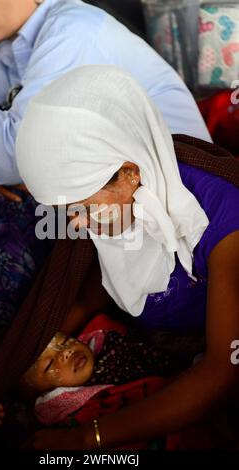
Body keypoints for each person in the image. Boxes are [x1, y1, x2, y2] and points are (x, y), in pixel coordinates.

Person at [0, 0, 210, 344]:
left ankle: (20, 352)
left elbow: (11, 156)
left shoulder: (73, 30)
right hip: (95, 198)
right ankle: (5, 353)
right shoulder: (9, 58)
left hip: (156, 193)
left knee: (0, 203)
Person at [16, 65, 239, 450]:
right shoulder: (110, 211)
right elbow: (90, 294)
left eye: (79, 207)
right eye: (63, 210)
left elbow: (222, 372)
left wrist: (90, 437)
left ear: (130, 173)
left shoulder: (222, 219)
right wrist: (24, 368)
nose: (73, 224)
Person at [0, 325, 192, 427]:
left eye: (66, 341)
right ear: (38, 395)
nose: (65, 352)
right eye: (50, 364)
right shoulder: (60, 418)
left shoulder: (112, 345)